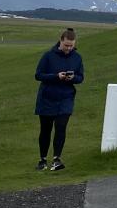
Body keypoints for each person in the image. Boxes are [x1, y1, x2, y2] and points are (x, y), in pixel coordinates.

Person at [34, 28, 83, 171]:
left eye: (71, 46)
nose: (68, 48)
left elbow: (81, 77)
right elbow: (38, 75)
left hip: (66, 97)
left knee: (61, 127)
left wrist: (73, 78)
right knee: (46, 129)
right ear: (61, 41)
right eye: (66, 45)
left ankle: (57, 159)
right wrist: (56, 76)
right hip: (47, 97)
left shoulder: (77, 58)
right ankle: (42, 160)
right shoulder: (48, 56)